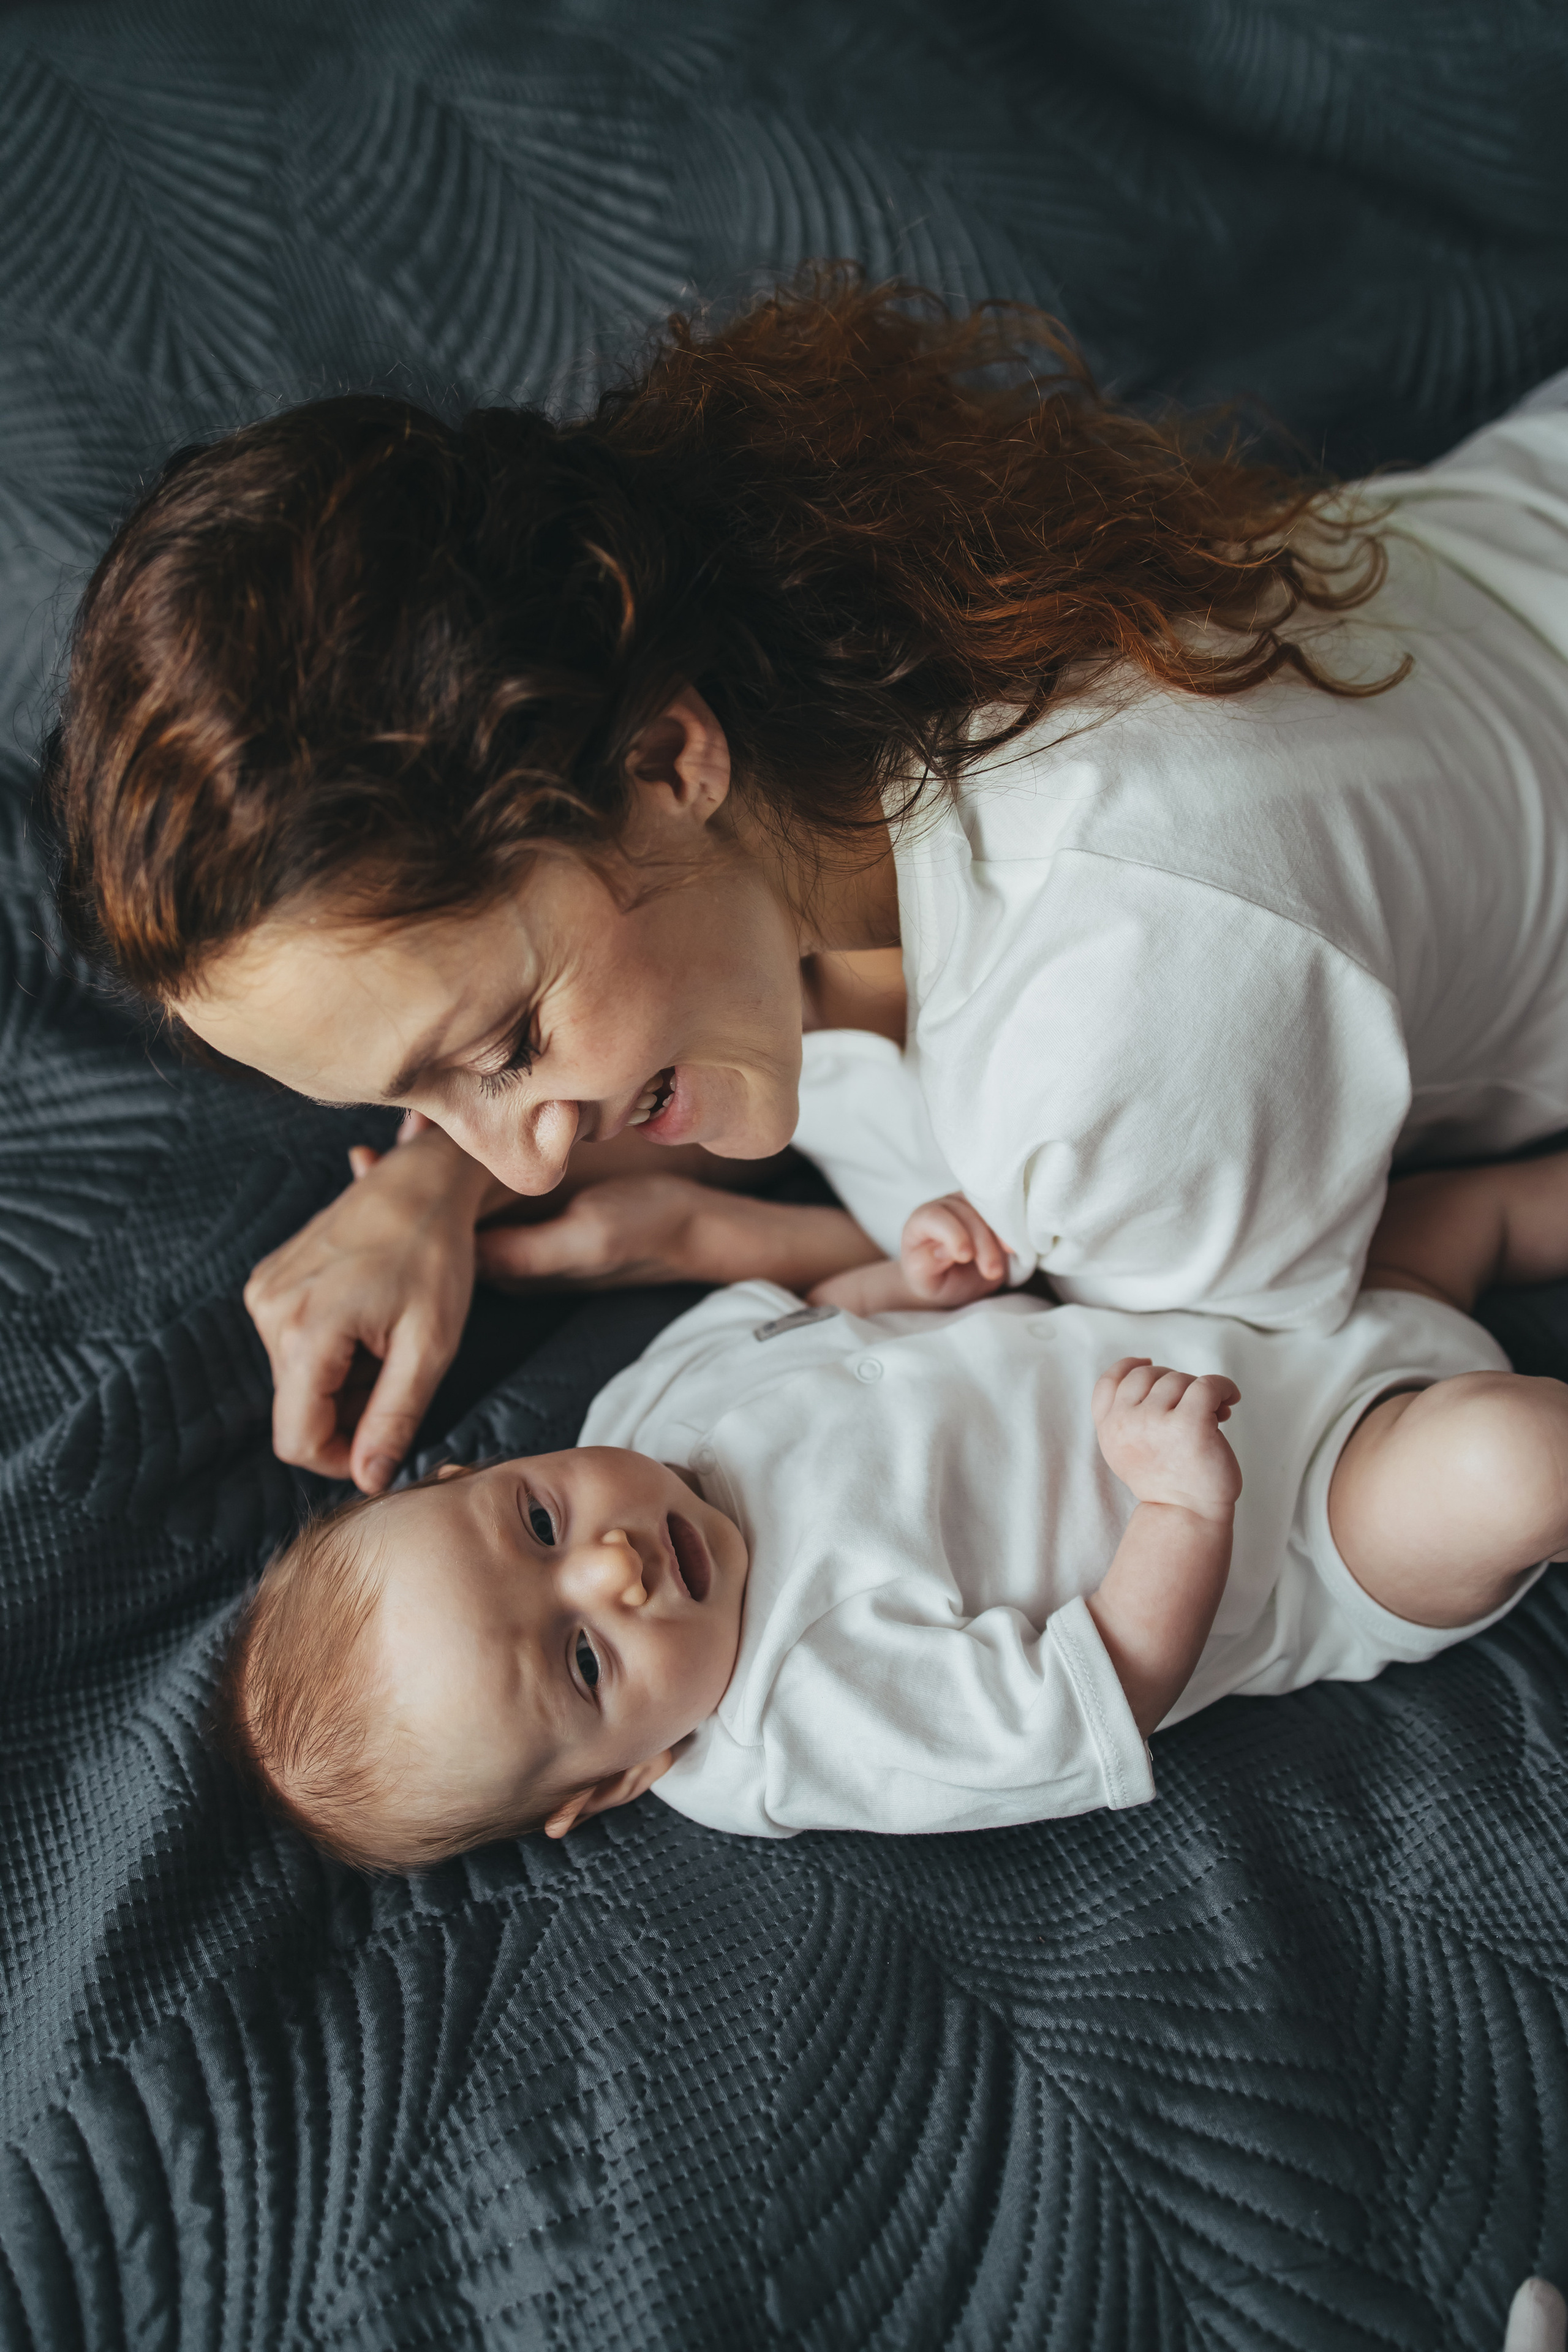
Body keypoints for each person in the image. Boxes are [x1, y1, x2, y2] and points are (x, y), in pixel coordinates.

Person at [47, 273, 1568, 1493]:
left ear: (664, 759)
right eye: (423, 1093)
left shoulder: (1113, 1021)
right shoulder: (841, 691)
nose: (523, 1165)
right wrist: (425, 1192)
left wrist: (726, 1246)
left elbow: (1232, 1409)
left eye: (503, 1044)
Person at [211, 1150, 1567, 1867]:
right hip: (1309, 1513)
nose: (614, 1568)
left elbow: (820, 1318)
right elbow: (1099, 1693)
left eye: (537, 1528)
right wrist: (1180, 1510)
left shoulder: (642, 1412)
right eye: (582, 1660)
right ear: (621, 1779)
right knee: (1512, 1464)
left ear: (479, 1476)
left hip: (1220, 1310)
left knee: (1482, 1212)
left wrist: (918, 1274)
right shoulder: (805, 1721)